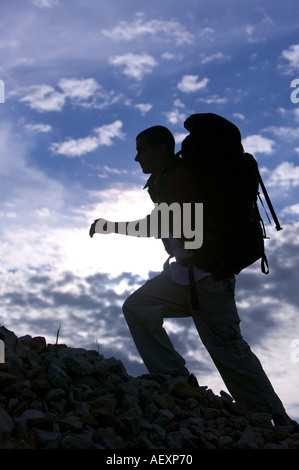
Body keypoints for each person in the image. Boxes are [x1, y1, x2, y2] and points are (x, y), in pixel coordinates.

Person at [89, 124, 297, 430]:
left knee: (228, 349)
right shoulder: (163, 180)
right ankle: (175, 378)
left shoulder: (182, 178)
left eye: (141, 149)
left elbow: (160, 225)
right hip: (184, 274)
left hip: (210, 277)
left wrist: (111, 227)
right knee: (138, 307)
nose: (136, 158)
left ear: (162, 150)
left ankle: (278, 419)